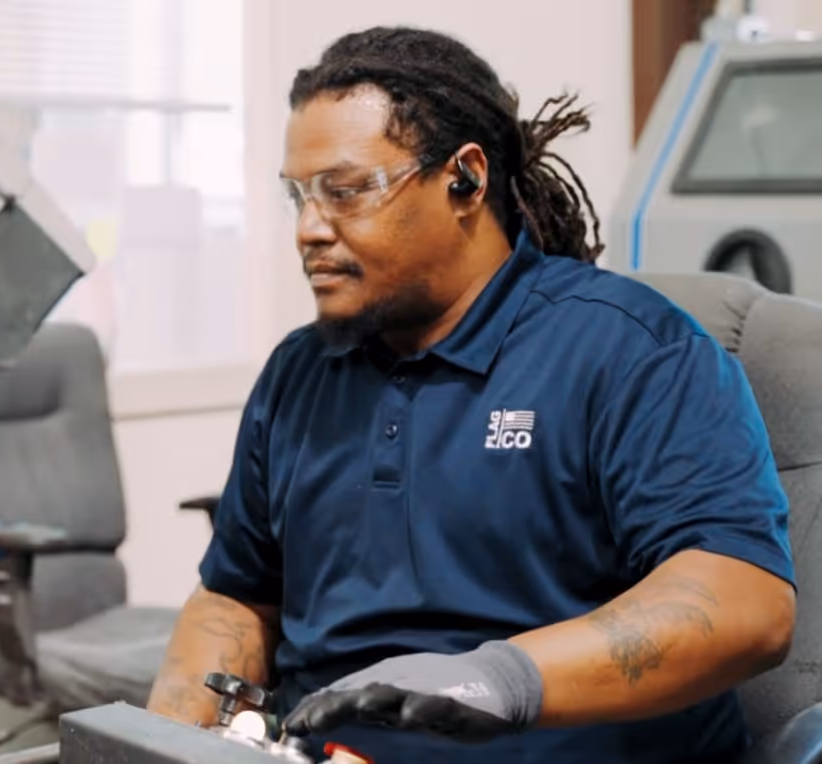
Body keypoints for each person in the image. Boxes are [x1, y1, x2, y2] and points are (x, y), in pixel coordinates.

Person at [146, 26, 796, 764]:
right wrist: (168, 739)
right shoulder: (300, 372)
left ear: (466, 179)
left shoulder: (631, 352)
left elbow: (746, 607)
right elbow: (237, 595)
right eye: (298, 196)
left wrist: (499, 680)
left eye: (347, 191)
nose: (308, 230)